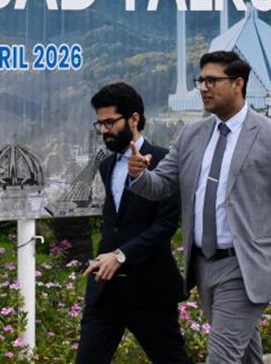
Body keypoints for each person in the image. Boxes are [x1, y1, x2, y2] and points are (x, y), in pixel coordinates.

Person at [127, 51, 271, 364]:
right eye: (200, 80)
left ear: (238, 83)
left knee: (221, 358)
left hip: (246, 266)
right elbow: (160, 186)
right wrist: (140, 174)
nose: (203, 87)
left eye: (212, 80)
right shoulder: (193, 134)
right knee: (246, 358)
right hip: (204, 265)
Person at [76, 82, 193, 364]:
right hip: (105, 291)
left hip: (149, 290)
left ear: (134, 119)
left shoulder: (165, 160)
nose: (103, 130)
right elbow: (115, 223)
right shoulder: (106, 166)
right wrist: (103, 257)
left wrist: (121, 255)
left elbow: (166, 224)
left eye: (109, 122)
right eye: (99, 123)